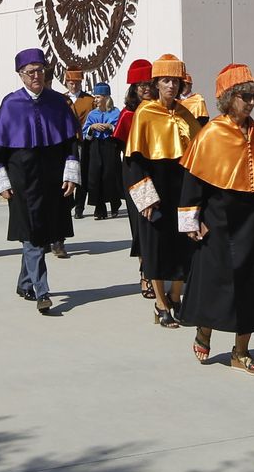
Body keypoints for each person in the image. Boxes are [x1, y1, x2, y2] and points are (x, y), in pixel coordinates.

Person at [178, 64, 254, 375]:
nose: (250, 102)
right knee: (215, 283)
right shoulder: (211, 132)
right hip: (219, 221)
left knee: (253, 284)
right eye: (244, 96)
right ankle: (204, 331)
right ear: (227, 98)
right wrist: (191, 220)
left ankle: (241, 352)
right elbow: (193, 182)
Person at [0, 48, 81, 315]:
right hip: (22, 180)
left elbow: (70, 143)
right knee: (31, 233)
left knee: (40, 234)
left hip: (52, 179)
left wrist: (71, 174)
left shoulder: (57, 102)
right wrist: (1, 182)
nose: (36, 76)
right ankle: (42, 291)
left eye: (40, 71)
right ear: (20, 75)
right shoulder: (11, 104)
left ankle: (25, 283)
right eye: (30, 72)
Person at [123, 53, 198, 327]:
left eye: (175, 81)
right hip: (154, 190)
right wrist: (145, 199)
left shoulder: (186, 113)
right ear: (156, 83)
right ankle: (160, 302)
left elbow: (197, 155)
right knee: (155, 246)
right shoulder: (145, 113)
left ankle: (176, 296)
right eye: (166, 81)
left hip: (182, 189)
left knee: (183, 244)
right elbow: (133, 161)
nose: (171, 86)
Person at [117, 59, 155, 297]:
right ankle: (145, 273)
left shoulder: (162, 111)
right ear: (133, 88)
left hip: (160, 173)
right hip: (135, 174)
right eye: (141, 85)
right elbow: (120, 147)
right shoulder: (128, 115)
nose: (146, 89)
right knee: (142, 224)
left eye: (149, 84)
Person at [81, 82, 124, 220]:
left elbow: (120, 130)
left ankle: (114, 204)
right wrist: (92, 127)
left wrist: (110, 127)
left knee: (109, 176)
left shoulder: (116, 112)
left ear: (106, 97)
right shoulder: (92, 114)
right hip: (95, 147)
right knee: (95, 176)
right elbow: (85, 135)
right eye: (95, 97)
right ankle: (100, 209)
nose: (96, 100)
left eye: (98, 97)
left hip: (110, 146)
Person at [64, 69, 95, 227]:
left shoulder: (89, 100)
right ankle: (67, 201)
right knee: (67, 173)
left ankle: (79, 206)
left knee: (81, 173)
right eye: (71, 83)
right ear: (66, 83)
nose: (73, 85)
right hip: (66, 142)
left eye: (76, 83)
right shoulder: (61, 99)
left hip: (83, 141)